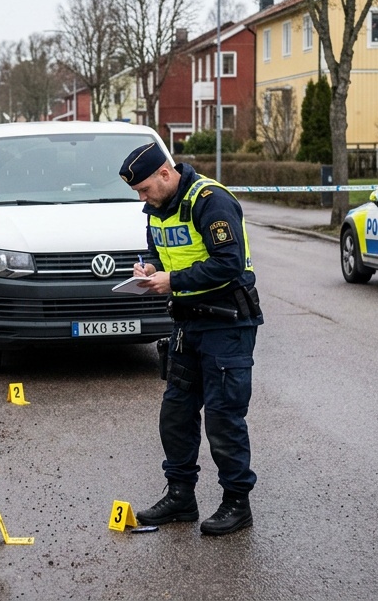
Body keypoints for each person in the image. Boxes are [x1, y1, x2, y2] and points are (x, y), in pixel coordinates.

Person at [118, 142, 263, 536]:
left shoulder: (210, 200)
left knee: (223, 417)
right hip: (187, 325)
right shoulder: (157, 208)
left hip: (227, 325)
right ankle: (181, 496)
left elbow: (228, 263)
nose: (142, 198)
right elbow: (164, 253)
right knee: (176, 414)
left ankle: (237, 503)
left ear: (165, 174)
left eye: (145, 189)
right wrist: (150, 267)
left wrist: (174, 281)